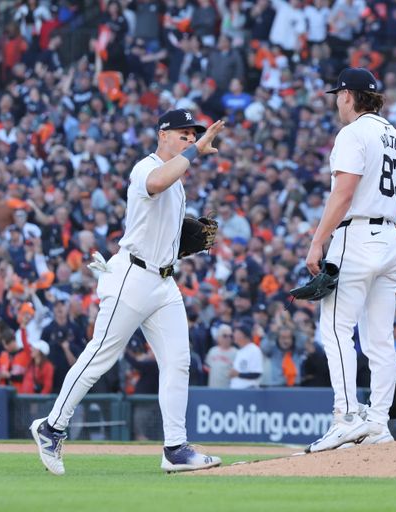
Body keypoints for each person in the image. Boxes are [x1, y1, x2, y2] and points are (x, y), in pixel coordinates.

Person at [30, 109, 226, 475]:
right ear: (162, 134)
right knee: (100, 358)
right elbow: (156, 183)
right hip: (132, 277)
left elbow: (167, 198)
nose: (188, 137)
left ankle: (175, 448)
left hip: (164, 282)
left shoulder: (178, 179)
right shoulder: (145, 167)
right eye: (182, 132)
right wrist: (196, 150)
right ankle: (51, 426)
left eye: (192, 133)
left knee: (179, 362)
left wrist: (175, 244)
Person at [304, 67, 396, 452]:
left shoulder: (353, 133)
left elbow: (344, 191)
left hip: (358, 234)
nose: (336, 101)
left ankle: (346, 416)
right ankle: (378, 422)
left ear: (348, 95)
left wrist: (318, 241)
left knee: (334, 329)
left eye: (338, 94)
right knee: (380, 338)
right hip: (390, 237)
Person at [229, 320, 263, 389]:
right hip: (237, 391)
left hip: (249, 391)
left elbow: (257, 374)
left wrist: (238, 374)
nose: (233, 335)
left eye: (236, 332)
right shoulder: (240, 351)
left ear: (243, 334)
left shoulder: (254, 350)